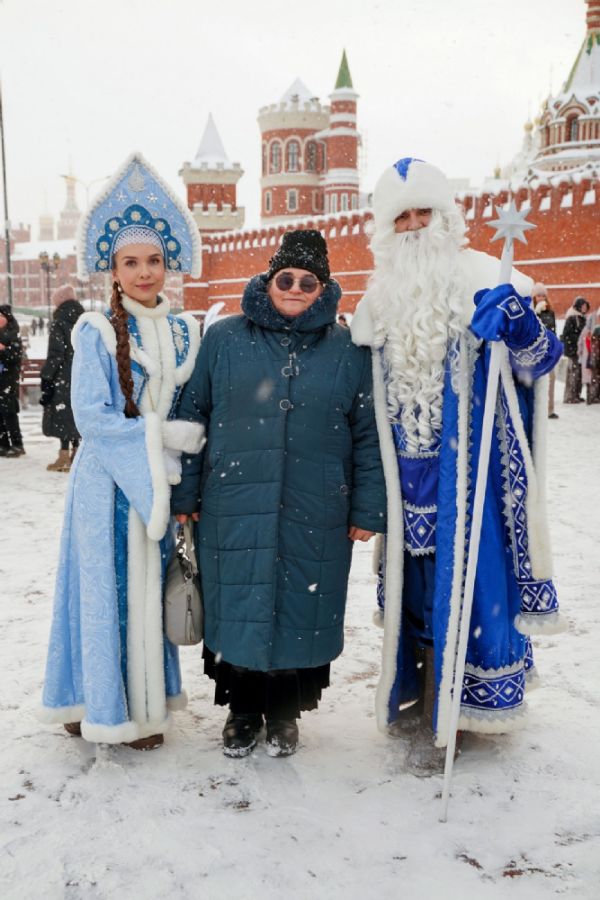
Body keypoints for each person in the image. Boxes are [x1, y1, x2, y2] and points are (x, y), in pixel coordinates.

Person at [350, 158, 565, 772]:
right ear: (386, 229)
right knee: (417, 591)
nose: (415, 226)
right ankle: (425, 690)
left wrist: (518, 325)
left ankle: (460, 704)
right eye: (402, 217)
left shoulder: (486, 278)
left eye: (425, 213)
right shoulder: (378, 300)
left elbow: (540, 363)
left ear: (446, 218)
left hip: (472, 476)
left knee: (472, 585)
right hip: (404, 475)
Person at [172, 229, 386, 758]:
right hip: (234, 503)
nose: (294, 289)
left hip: (317, 505)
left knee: (300, 608)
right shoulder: (224, 339)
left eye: (308, 282)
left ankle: (286, 714)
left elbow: (367, 433)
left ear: (323, 289)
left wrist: (367, 508)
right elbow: (192, 416)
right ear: (269, 280)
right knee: (239, 604)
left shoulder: (348, 351)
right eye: (285, 278)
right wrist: (185, 495)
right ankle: (242, 712)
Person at [38, 153, 204, 750]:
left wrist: (177, 464)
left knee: (149, 592)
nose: (144, 272)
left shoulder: (187, 331)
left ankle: (145, 706)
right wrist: (160, 441)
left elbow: (193, 406)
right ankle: (98, 703)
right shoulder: (95, 331)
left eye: (153, 261)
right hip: (107, 484)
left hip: (161, 483)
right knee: (104, 592)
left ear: (168, 263)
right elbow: (93, 417)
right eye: (130, 262)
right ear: (112, 269)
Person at [40, 284, 85, 472]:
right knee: (75, 414)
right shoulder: (83, 319)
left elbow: (56, 354)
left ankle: (64, 455)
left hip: (63, 375)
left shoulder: (59, 322)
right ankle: (77, 454)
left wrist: (46, 376)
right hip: (81, 375)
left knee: (62, 413)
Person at [0, 305, 25, 457]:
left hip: (8, 379)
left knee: (9, 412)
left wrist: (3, 350)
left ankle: (17, 444)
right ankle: (3, 444)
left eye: (1, 316)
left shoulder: (13, 334)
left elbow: (16, 356)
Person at [533, 283, 558, 419]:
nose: (541, 298)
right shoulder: (531, 311)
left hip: (549, 350)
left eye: (543, 295)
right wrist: (536, 313)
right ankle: (537, 410)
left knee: (551, 379)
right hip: (535, 352)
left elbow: (552, 331)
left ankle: (550, 409)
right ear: (534, 297)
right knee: (537, 381)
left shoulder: (550, 312)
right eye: (538, 295)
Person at [561, 296, 590, 403]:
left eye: (586, 306)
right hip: (573, 350)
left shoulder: (582, 318)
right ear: (578, 306)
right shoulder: (572, 318)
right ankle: (570, 396)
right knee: (574, 373)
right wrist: (580, 338)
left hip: (580, 350)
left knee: (579, 374)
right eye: (583, 306)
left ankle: (577, 394)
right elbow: (566, 334)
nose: (584, 308)